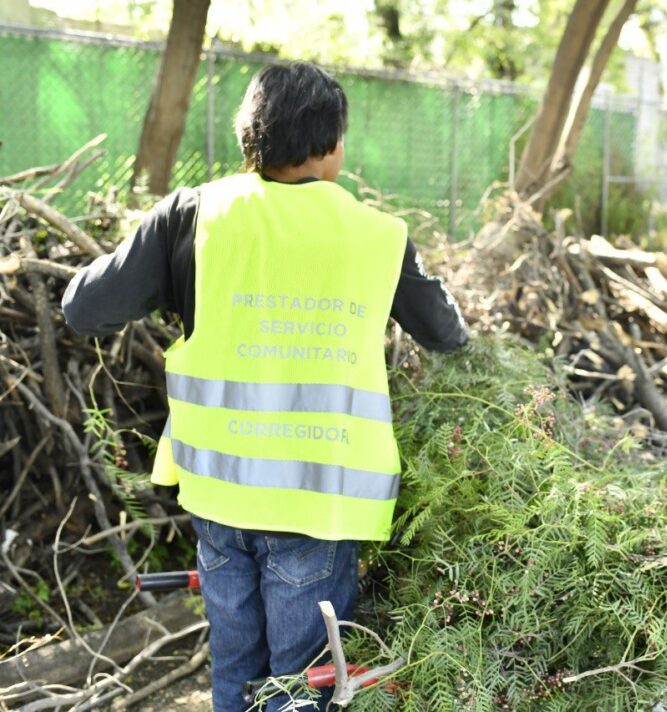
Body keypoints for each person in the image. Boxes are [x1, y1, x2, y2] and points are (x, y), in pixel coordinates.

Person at [62, 61, 467, 711]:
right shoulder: (379, 238)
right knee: (299, 685)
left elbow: (84, 307)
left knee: (235, 668)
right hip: (317, 503)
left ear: (249, 138)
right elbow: (449, 335)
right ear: (333, 146)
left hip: (218, 497)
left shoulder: (192, 217)